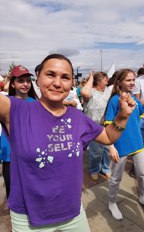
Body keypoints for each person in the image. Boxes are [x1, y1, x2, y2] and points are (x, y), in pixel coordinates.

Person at [0, 54, 136, 232]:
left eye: (65, 77)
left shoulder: (78, 117)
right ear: (38, 78)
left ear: (71, 82)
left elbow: (108, 137)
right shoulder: (16, 110)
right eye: (50, 74)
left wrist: (123, 116)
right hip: (28, 216)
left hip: (72, 212)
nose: (57, 83)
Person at [104, 69, 144, 220]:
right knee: (116, 177)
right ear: (119, 82)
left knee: (143, 174)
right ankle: (112, 202)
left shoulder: (134, 98)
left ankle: (143, 196)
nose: (132, 83)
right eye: (128, 80)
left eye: (133, 80)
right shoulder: (115, 101)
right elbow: (107, 125)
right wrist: (111, 146)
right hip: (120, 145)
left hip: (137, 143)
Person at [0, 65, 37, 199]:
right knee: (13, 189)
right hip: (10, 153)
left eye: (28, 80)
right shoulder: (5, 102)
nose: (25, 84)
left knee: (30, 187)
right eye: (20, 81)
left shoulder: (36, 103)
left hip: (30, 152)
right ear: (13, 84)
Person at [81, 71, 111, 180]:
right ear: (98, 81)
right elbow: (84, 93)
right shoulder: (91, 92)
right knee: (96, 151)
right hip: (93, 127)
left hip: (106, 125)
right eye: (104, 79)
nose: (107, 81)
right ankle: (94, 169)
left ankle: (106, 168)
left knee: (107, 149)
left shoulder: (108, 91)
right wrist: (90, 78)